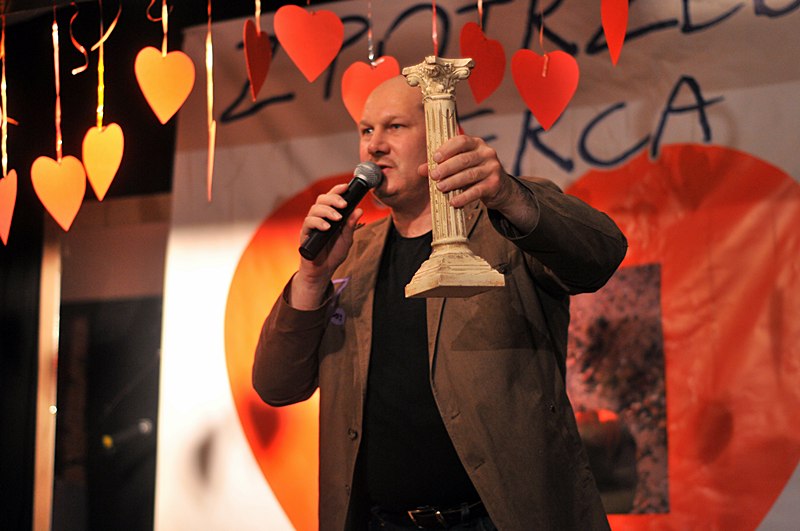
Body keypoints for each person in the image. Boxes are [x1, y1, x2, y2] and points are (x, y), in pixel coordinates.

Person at [253, 76, 627, 531]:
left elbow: (601, 256)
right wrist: (312, 277)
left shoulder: (504, 223)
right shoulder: (351, 252)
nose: (374, 145)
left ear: (441, 135)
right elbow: (276, 386)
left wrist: (509, 195)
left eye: (394, 127)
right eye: (366, 130)